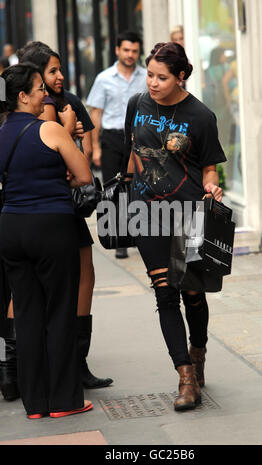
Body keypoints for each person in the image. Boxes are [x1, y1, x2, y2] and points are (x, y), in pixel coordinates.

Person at [124, 42, 226, 411]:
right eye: (150, 74)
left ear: (180, 76)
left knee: (193, 293)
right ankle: (184, 377)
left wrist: (212, 185)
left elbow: (210, 165)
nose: (152, 82)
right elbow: (133, 153)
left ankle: (197, 354)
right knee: (164, 291)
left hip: (189, 216)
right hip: (146, 213)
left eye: (161, 77)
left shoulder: (201, 116)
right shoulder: (138, 104)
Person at [15, 41, 113, 390]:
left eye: (59, 70)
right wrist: (65, 130)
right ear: (33, 78)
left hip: (64, 204)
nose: (59, 77)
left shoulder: (69, 101)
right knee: (32, 288)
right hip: (43, 207)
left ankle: (77, 360)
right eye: (52, 72)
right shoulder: (25, 109)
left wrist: (73, 136)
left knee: (84, 275)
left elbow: (83, 158)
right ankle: (23, 369)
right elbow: (54, 157)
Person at [0, 63, 93, 418]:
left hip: (10, 227)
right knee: (59, 311)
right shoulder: (51, 129)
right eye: (39, 88)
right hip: (51, 227)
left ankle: (34, 403)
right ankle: (64, 400)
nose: (45, 94)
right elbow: (84, 176)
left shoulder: (1, 132)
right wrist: (59, 177)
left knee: (25, 313)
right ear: (22, 96)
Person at [87, 31, 147, 259]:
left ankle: (140, 235)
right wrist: (96, 147)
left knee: (138, 187)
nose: (130, 55)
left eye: (134, 51)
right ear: (117, 51)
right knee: (114, 188)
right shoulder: (104, 78)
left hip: (139, 139)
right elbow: (96, 114)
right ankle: (119, 239)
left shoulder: (145, 77)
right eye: (126, 50)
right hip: (112, 138)